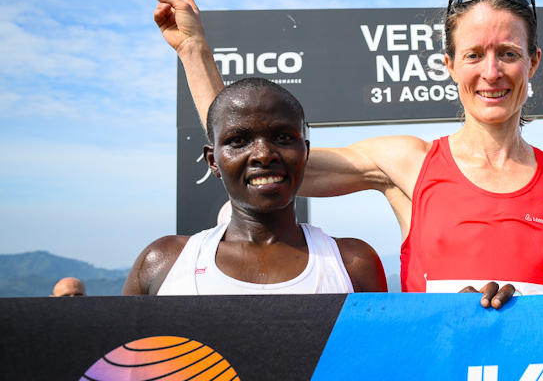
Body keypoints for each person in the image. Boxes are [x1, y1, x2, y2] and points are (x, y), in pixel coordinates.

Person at [150, 0, 543, 308]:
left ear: (534, 61)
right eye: (473, 55)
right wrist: (194, 51)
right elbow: (257, 157)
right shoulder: (408, 163)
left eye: (508, 53)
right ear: (449, 65)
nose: (491, 72)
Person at [123, 77, 386, 296]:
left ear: (304, 152)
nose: (263, 154)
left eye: (283, 137)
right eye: (239, 141)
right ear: (213, 161)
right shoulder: (164, 261)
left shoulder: (354, 263)